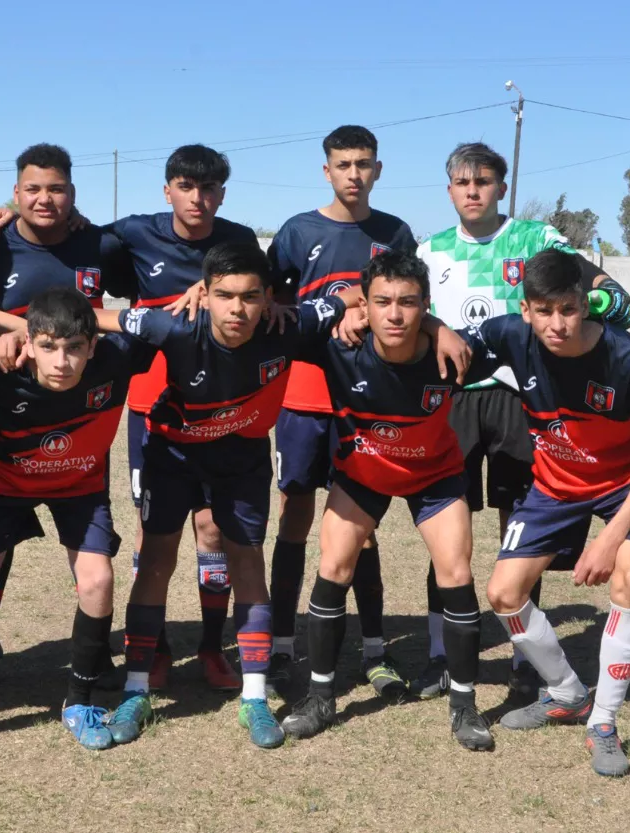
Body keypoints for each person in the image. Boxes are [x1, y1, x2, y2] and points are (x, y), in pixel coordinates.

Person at [92, 240, 363, 750]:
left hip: (241, 461)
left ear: (267, 298)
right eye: (224, 295)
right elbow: (96, 319)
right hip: (172, 458)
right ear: (205, 294)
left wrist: (395, 316)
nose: (237, 309)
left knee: (247, 565)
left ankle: (254, 698)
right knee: (154, 562)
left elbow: (363, 292)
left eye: (250, 296)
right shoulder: (171, 323)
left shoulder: (293, 324)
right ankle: (136, 689)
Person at [414, 141, 630, 702]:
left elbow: (601, 291)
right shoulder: (429, 249)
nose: (473, 191)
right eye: (463, 182)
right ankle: (443, 654)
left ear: (501, 188)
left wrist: (602, 308)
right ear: (449, 191)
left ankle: (521, 655)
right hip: (457, 401)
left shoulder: (534, 239)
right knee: (448, 531)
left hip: (521, 400)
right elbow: (408, 313)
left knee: (519, 523)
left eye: (484, 181)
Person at [468, 249, 630, 778]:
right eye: (543, 311)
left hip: (626, 485)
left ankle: (602, 721)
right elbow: (451, 348)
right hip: (556, 485)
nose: (556, 324)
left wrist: (609, 539)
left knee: (628, 583)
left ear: (585, 305)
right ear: (526, 309)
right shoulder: (510, 334)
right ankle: (567, 694)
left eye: (567, 309)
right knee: (503, 593)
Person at [279, 251, 495, 751]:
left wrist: (442, 329)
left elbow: (529, 340)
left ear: (426, 306)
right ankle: (320, 698)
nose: (395, 314)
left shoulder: (453, 353)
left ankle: (465, 705)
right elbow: (279, 325)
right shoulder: (337, 346)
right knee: (333, 566)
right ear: (366, 305)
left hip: (435, 474)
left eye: (408, 303)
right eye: (382, 302)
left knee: (457, 575)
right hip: (363, 474)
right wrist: (339, 308)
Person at [0, 145, 136, 699]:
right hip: (9, 402)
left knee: (94, 573)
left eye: (55, 189)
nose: (44, 199)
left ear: (72, 194)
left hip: (79, 398)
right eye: (32, 189)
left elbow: (137, 308)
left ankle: (90, 667)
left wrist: (45, 333)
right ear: (15, 193)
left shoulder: (99, 243)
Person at [0, 287, 155, 753]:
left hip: (79, 488)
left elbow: (164, 323)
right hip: (3, 489)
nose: (62, 361)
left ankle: (78, 702)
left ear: (93, 345)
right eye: (49, 347)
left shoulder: (116, 359)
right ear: (29, 343)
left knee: (98, 580)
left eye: (75, 348)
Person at [265, 124, 418, 700]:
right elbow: (271, 298)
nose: (354, 173)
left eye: (364, 163)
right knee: (295, 516)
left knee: (362, 527)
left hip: (365, 399)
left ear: (378, 169)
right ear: (325, 170)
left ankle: (375, 652)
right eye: (343, 164)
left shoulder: (395, 232)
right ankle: (283, 645)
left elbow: (405, 301)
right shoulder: (298, 231)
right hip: (304, 397)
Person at [106, 145, 260, 691]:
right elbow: (68, 243)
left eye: (211, 188)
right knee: (157, 534)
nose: (199, 198)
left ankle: (211, 647)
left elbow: (271, 293)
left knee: (212, 529)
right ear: (167, 189)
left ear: (223, 192)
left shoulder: (238, 241)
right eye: (187, 187)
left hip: (218, 408)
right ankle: (157, 647)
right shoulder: (133, 233)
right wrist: (5, 217)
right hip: (152, 406)